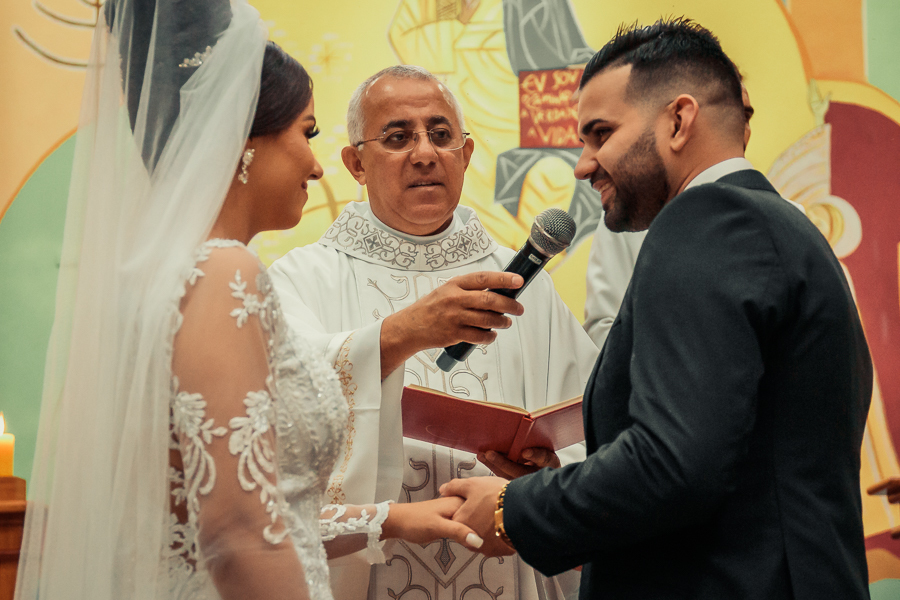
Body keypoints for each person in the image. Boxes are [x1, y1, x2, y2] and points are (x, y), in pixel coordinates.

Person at [14, 3, 480, 600]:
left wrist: (387, 519)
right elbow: (239, 533)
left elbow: (251, 511)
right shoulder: (222, 272)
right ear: (242, 140)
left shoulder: (161, 273)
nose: (315, 164)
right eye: (304, 132)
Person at [443, 17, 873, 599]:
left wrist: (510, 509)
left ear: (678, 120)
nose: (583, 164)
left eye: (600, 133)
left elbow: (675, 468)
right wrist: (571, 484)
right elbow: (733, 457)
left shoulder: (706, 222)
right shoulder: (783, 228)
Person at [268, 65, 599, 600]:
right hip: (374, 574)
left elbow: (591, 423)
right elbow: (276, 408)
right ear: (355, 162)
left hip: (506, 568)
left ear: (465, 155)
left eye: (440, 135)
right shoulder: (302, 278)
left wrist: (549, 470)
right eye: (398, 137)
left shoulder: (521, 281)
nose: (424, 152)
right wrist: (401, 333)